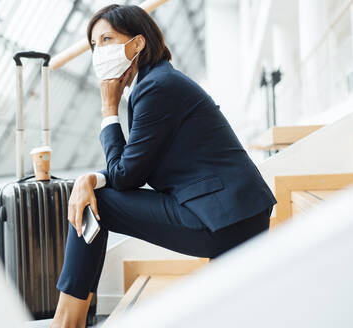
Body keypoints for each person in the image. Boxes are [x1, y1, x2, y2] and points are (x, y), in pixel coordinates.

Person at [51, 4, 277, 328]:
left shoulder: (156, 87)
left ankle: (65, 322)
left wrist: (107, 108)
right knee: (93, 194)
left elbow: (127, 176)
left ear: (137, 43)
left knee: (95, 204)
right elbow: (134, 165)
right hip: (232, 211)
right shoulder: (156, 82)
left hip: (226, 217)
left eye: (106, 39)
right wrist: (91, 177)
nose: (98, 51)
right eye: (93, 45)